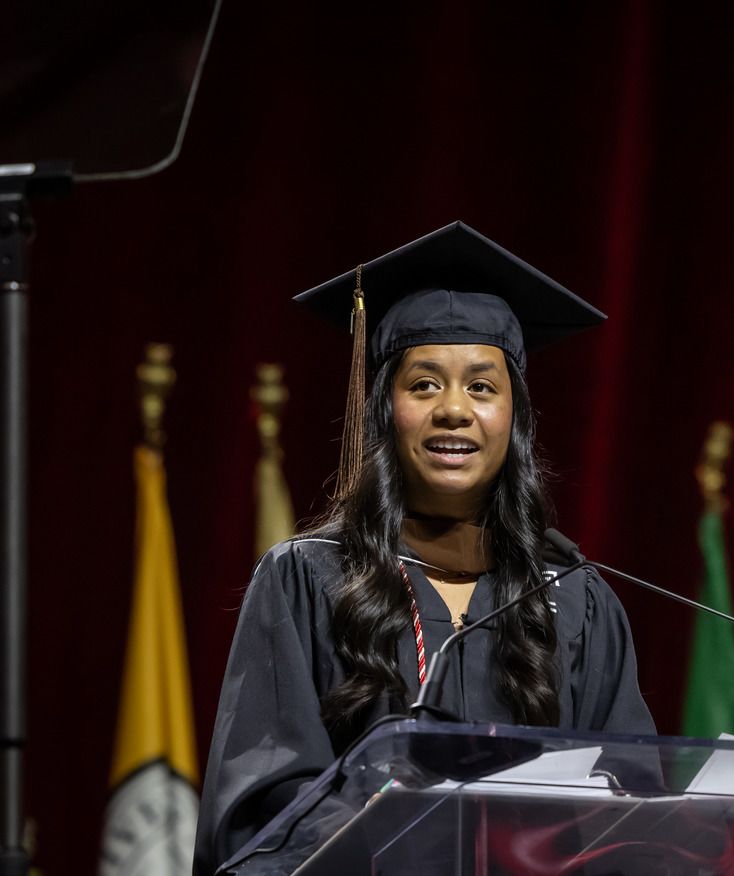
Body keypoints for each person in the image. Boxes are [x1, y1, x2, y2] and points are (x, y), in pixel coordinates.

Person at [193, 222, 655, 876]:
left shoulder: (575, 598)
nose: (454, 411)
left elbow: (633, 808)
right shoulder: (308, 579)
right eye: (424, 384)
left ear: (515, 420)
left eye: (482, 386)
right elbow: (266, 806)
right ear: (386, 411)